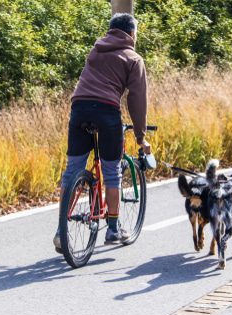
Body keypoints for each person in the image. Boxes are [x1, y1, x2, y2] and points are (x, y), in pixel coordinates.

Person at [53, 13, 151, 252]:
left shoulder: (95, 49)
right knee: (111, 172)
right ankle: (114, 229)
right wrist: (141, 137)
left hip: (79, 109)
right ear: (131, 33)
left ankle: (60, 231)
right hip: (106, 112)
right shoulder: (133, 58)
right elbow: (137, 101)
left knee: (72, 170)